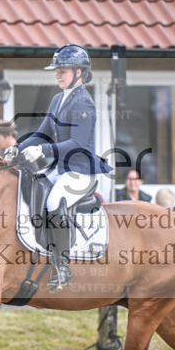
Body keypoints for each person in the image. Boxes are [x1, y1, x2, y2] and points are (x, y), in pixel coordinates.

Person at [6, 44, 113, 290]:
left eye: (62, 71)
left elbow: (77, 143)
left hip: (79, 171)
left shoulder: (84, 103)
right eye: (57, 71)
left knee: (54, 202)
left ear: (78, 72)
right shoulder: (57, 99)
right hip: (59, 168)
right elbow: (42, 133)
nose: (57, 75)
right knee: (31, 187)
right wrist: (18, 147)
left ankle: (63, 267)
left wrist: (43, 151)